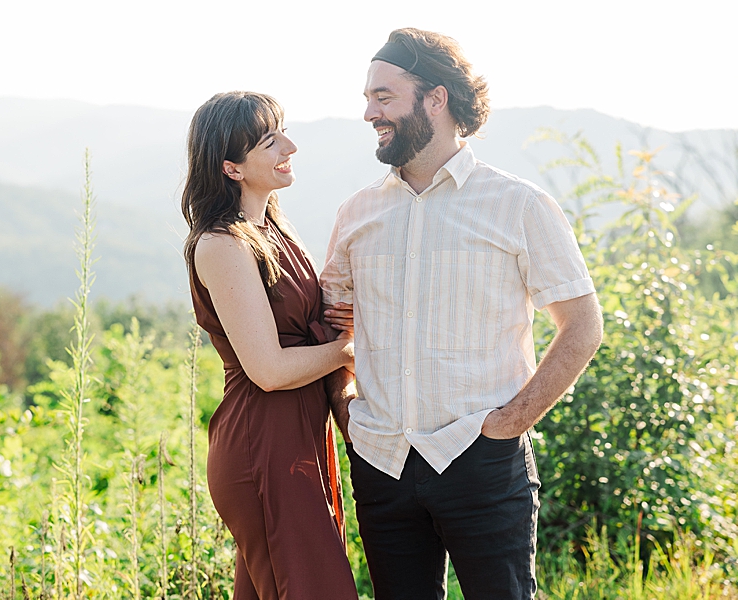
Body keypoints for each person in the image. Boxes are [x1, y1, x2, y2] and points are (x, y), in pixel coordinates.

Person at [320, 28, 605, 599]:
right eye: (368, 98)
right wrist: (345, 406)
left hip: (482, 458)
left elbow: (582, 326)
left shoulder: (519, 205)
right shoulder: (357, 213)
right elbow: (332, 325)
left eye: (383, 96)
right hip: (382, 462)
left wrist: (509, 423)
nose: (370, 112)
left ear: (436, 98)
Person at [182, 91, 359, 600]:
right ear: (232, 168)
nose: (291, 146)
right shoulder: (221, 245)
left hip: (299, 439)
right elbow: (269, 370)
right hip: (262, 444)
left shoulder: (275, 231)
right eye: (270, 141)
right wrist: (351, 347)